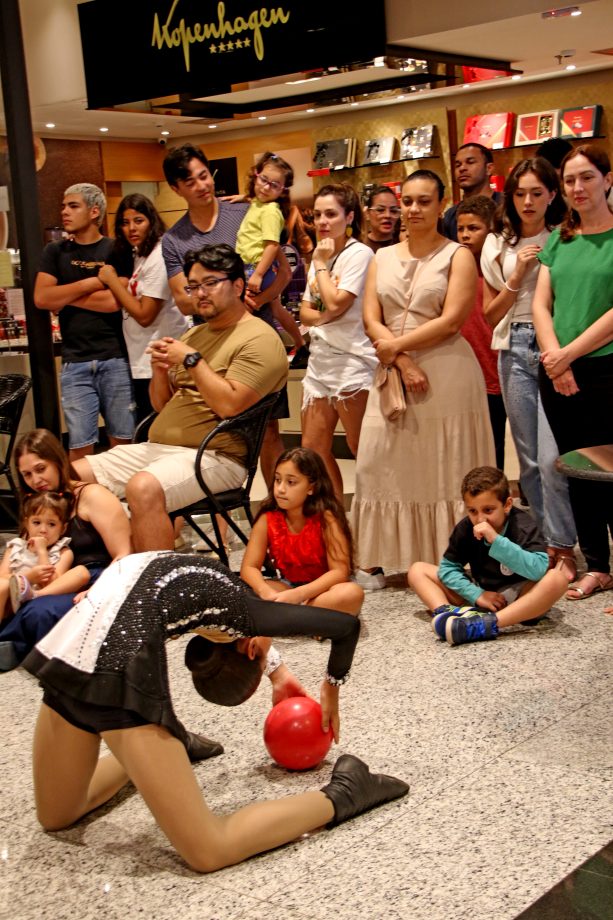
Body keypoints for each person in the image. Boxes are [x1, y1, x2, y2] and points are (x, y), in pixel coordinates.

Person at [24, 551, 408, 872]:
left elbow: (141, 581)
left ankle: (344, 791)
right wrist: (331, 691)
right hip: (96, 659)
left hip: (73, 642)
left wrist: (277, 673)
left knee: (201, 850)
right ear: (250, 649)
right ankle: (174, 745)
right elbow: (345, 628)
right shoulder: (236, 607)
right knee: (61, 817)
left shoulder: (218, 600)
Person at [72, 244, 288, 553]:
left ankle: (154, 588)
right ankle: (112, 567)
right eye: (193, 286)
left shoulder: (260, 339)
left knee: (143, 487)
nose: (200, 293)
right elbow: (161, 406)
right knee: (68, 476)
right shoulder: (194, 335)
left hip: (218, 457)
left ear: (238, 285)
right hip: (160, 449)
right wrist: (160, 371)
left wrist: (191, 361)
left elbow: (230, 405)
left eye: (210, 283)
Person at [352, 170, 495, 585]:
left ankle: (453, 554)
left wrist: (398, 348)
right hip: (395, 371)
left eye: (423, 201)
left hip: (447, 373)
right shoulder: (380, 257)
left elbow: (452, 320)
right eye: (407, 201)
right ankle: (378, 556)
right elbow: (370, 318)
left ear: (440, 205)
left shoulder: (459, 255)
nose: (412, 210)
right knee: (378, 461)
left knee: (446, 463)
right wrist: (402, 360)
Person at [480, 157, 576, 578]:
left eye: (537, 192)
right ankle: (547, 546)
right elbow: (490, 314)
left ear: (553, 194)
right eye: (520, 193)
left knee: (556, 456)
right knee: (530, 461)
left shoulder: (564, 236)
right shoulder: (496, 243)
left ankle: (565, 544)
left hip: (558, 344)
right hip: (514, 343)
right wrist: (518, 271)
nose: (528, 201)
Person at [532, 144, 613, 601]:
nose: (577, 188)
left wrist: (570, 355)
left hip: (604, 369)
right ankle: (597, 565)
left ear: (607, 179)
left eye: (586, 178)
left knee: (612, 471)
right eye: (569, 181)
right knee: (576, 470)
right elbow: (542, 304)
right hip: (558, 370)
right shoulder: (559, 240)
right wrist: (554, 356)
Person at [0, 429, 131, 670]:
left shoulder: (92, 495)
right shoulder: (36, 503)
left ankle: (21, 648)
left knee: (38, 611)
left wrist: (97, 590)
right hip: (47, 579)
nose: (35, 480)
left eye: (41, 469)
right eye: (27, 474)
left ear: (58, 462)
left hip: (95, 577)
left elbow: (124, 554)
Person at [408, 466, 568, 646]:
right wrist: (478, 594)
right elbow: (448, 568)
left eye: (488, 510)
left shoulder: (523, 525)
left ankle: (485, 625)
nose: (480, 519)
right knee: (417, 570)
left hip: (519, 600)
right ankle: (449, 616)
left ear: (507, 505)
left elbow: (538, 570)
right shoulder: (465, 528)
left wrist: (496, 540)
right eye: (473, 511)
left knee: (557, 578)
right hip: (481, 595)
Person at [33, 183, 135, 460]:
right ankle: (84, 501)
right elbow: (42, 298)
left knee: (123, 443)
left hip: (115, 357)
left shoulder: (117, 249)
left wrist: (63, 295)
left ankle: (123, 501)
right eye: (64, 206)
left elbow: (114, 302)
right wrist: (93, 282)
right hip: (74, 361)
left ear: (94, 211)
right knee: (79, 445)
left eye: (72, 206)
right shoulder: (55, 251)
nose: (64, 212)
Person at [300, 183, 376, 502]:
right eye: (317, 215)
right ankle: (334, 516)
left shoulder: (359, 254)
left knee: (363, 449)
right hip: (320, 363)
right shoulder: (320, 256)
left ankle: (377, 515)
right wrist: (325, 313)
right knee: (312, 452)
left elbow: (334, 304)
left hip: (353, 363)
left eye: (331, 214)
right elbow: (306, 312)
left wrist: (319, 265)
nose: (322, 222)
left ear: (349, 217)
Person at [97, 193, 188, 423]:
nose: (131, 229)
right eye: (125, 223)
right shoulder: (138, 255)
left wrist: (111, 281)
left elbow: (145, 314)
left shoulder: (159, 254)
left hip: (160, 359)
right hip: (144, 358)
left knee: (160, 431)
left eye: (138, 221)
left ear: (151, 221)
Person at [241, 447, 363, 615]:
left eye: (291, 482)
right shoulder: (267, 518)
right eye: (277, 480)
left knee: (351, 593)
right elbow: (249, 567)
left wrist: (298, 595)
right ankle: (311, 618)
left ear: (311, 487)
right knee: (242, 593)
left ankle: (297, 615)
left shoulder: (327, 518)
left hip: (324, 590)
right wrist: (265, 591)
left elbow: (339, 572)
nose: (281, 489)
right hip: (287, 586)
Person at [456, 195, 506, 469]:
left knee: (501, 441)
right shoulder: (454, 268)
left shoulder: (499, 268)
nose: (465, 235)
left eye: (473, 228)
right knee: (481, 445)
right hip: (469, 368)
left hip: (499, 364)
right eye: (461, 229)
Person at [0, 492, 90, 617]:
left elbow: (52, 584)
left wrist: (42, 551)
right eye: (36, 522)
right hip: (8, 602)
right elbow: (2, 577)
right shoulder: (15, 547)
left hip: (42, 594)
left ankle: (32, 595)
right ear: (27, 524)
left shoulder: (63, 551)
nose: (43, 530)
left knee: (81, 571)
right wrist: (29, 577)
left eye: (51, 524)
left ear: (63, 529)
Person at [442, 143, 502, 242]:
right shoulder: (450, 216)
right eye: (458, 165)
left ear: (489, 168)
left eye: (470, 162)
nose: (462, 168)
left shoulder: (507, 206)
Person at [364, 186, 401, 253]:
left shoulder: (403, 246)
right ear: (367, 213)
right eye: (380, 210)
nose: (388, 215)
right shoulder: (359, 248)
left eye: (393, 211)